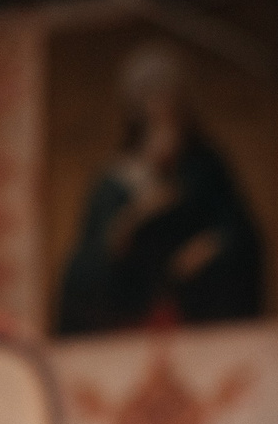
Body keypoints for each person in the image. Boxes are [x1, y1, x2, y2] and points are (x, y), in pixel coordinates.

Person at [54, 44, 265, 335]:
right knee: (79, 273)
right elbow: (99, 246)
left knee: (228, 264)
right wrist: (141, 210)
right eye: (150, 98)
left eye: (168, 96)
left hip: (194, 287)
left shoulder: (203, 164)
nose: (160, 107)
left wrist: (208, 245)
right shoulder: (114, 179)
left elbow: (239, 227)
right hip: (132, 285)